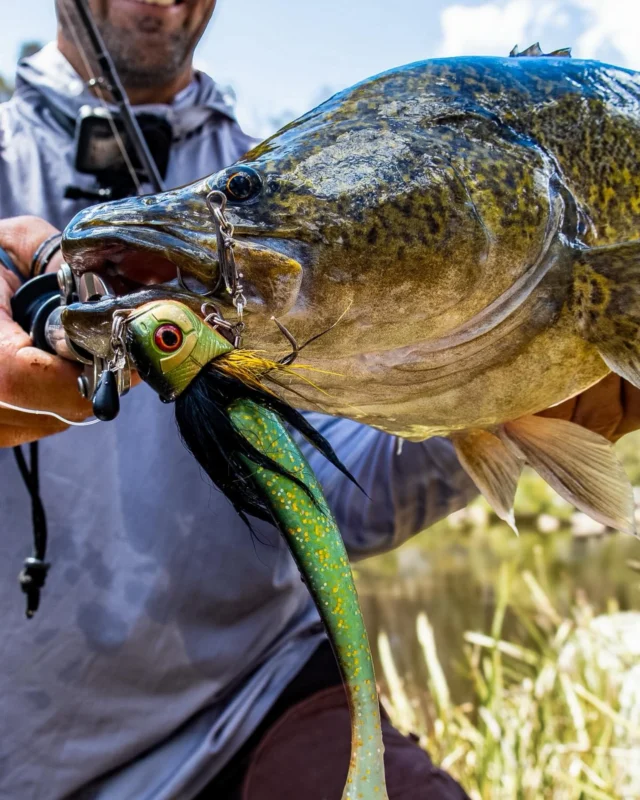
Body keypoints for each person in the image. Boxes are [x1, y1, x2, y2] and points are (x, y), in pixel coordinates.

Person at [0, 2, 638, 799]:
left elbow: (335, 503)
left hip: (268, 700)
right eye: (241, 193)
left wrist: (484, 402)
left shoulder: (284, 154)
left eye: (242, 194)